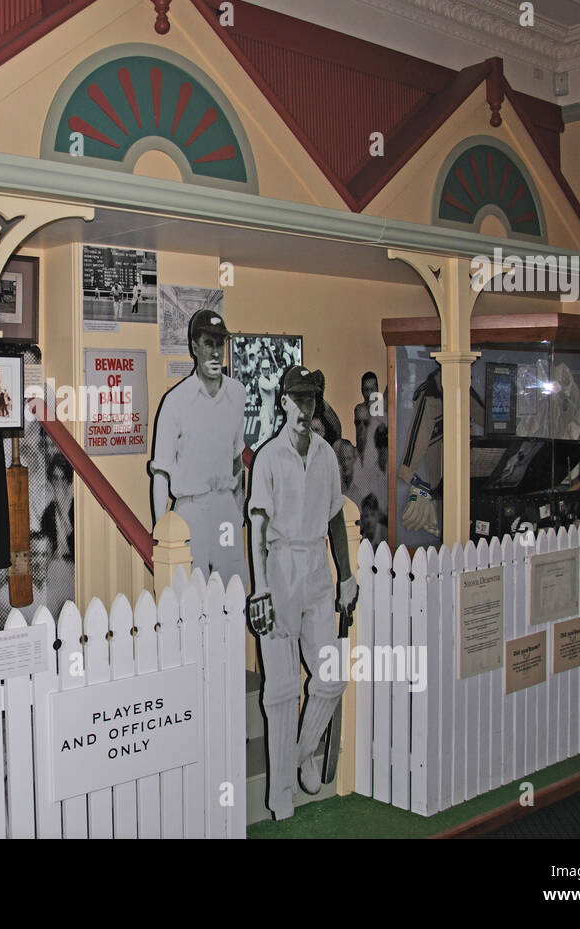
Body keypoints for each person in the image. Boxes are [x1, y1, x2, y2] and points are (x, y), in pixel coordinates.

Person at [246, 364, 358, 819]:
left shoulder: (327, 457)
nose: (303, 406)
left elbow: (335, 519)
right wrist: (261, 590)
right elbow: (256, 527)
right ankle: (280, 798)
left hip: (315, 566)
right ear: (283, 402)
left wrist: (346, 575)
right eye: (296, 398)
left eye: (310, 399)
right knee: (281, 690)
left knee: (331, 677)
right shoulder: (270, 458)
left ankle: (299, 755)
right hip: (279, 566)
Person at [148, 309, 247, 586]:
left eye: (220, 344)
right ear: (194, 347)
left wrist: (236, 509)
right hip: (191, 510)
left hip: (225, 508)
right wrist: (162, 533)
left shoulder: (237, 394)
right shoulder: (176, 400)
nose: (216, 352)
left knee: (232, 587)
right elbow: (161, 473)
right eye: (208, 344)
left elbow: (237, 458)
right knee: (193, 594)